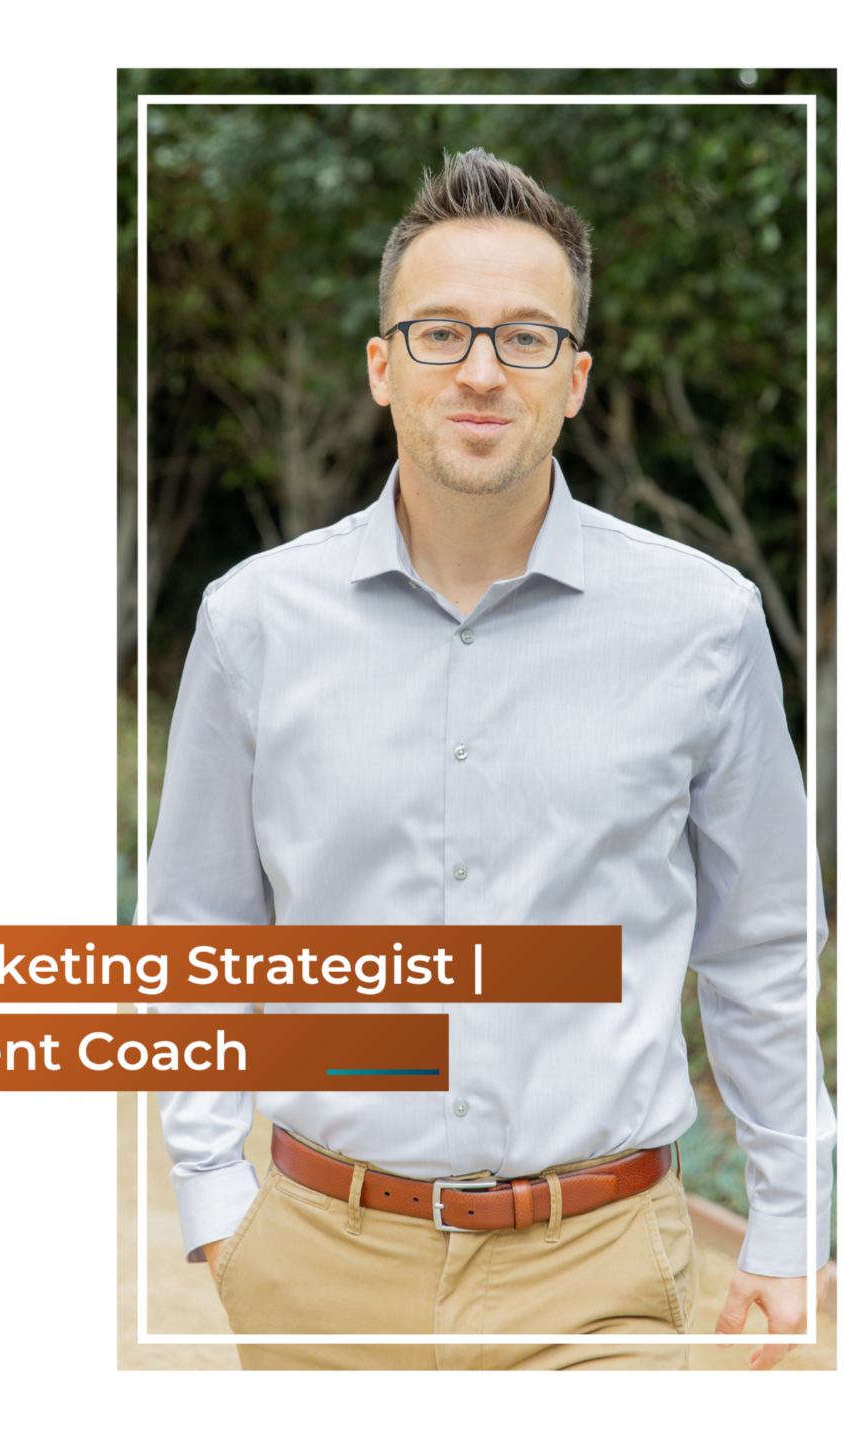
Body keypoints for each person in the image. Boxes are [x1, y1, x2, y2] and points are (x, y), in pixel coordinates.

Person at [143, 148, 833, 1372]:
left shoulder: (705, 623)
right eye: (440, 331)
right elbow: (197, 923)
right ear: (380, 366)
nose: (478, 370)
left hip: (601, 1264)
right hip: (319, 1269)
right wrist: (213, 1196)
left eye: (524, 338)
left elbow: (762, 942)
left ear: (573, 379)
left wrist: (788, 1216)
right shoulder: (254, 622)